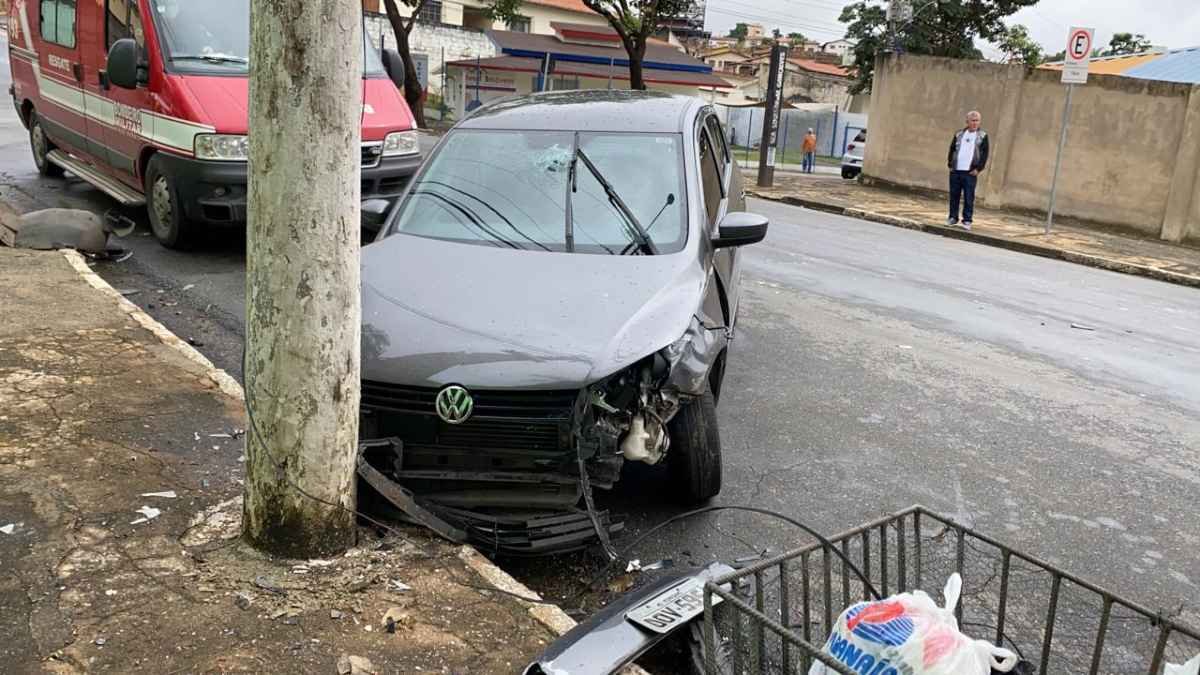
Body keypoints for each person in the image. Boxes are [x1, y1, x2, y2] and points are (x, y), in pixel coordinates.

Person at [946, 111, 990, 230]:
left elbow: (985, 154)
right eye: (973, 120)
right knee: (954, 195)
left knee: (968, 197)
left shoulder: (982, 135)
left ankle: (967, 220)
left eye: (977, 120)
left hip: (970, 172)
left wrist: (978, 169)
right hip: (956, 170)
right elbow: (952, 149)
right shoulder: (959, 134)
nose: (975, 123)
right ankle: (952, 217)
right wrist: (950, 164)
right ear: (967, 121)